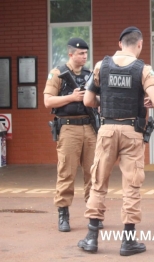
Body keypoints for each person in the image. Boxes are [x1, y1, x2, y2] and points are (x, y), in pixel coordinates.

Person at [77, 26, 154, 256]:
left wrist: (104, 102)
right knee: (131, 185)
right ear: (140, 45)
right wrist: (149, 99)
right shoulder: (143, 69)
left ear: (120, 44)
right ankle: (128, 241)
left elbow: (88, 100)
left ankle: (91, 237)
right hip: (131, 132)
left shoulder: (100, 66)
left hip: (106, 130)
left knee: (98, 182)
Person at [43, 37, 99, 233]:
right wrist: (72, 97)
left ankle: (93, 214)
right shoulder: (58, 73)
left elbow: (99, 99)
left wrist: (94, 98)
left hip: (89, 127)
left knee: (93, 172)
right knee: (66, 172)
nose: (84, 57)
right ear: (70, 54)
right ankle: (63, 213)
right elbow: (48, 101)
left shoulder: (90, 74)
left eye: (86, 53)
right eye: (81, 54)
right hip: (68, 128)